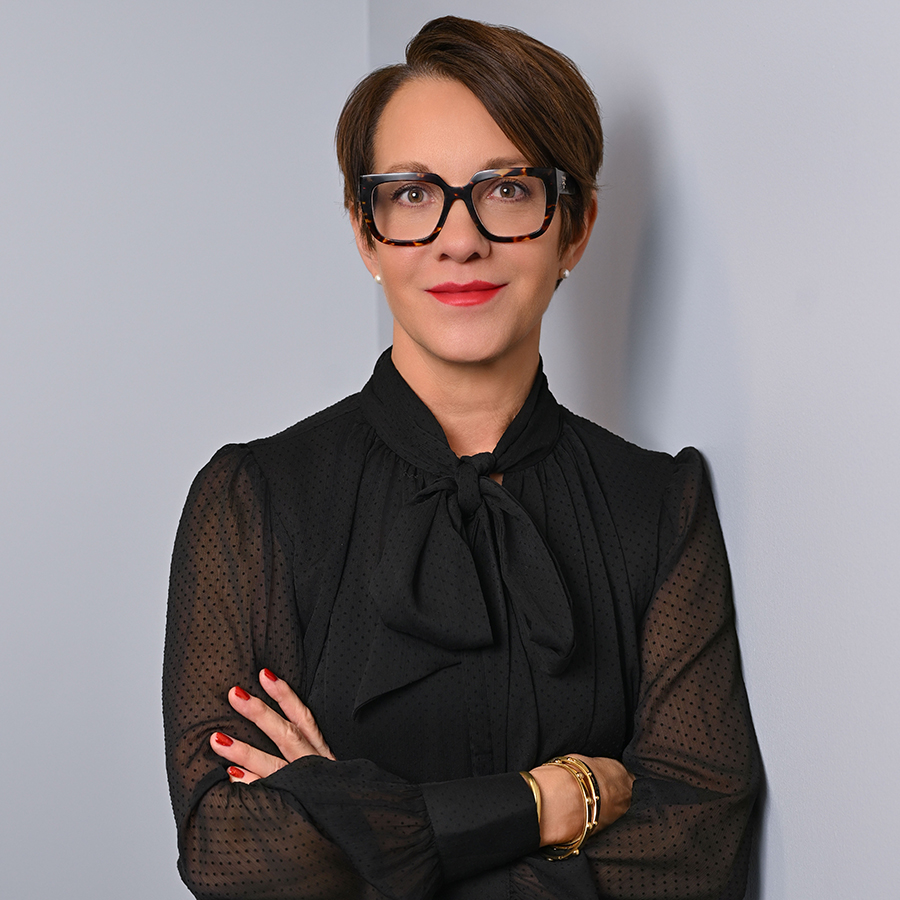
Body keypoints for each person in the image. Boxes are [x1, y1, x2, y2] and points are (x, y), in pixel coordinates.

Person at [163, 15, 760, 900]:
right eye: (412, 194)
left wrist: (366, 828)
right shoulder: (252, 500)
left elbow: (696, 850)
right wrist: (545, 801)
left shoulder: (660, 505)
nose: (459, 238)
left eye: (506, 189)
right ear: (365, 232)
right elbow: (232, 852)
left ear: (575, 227)